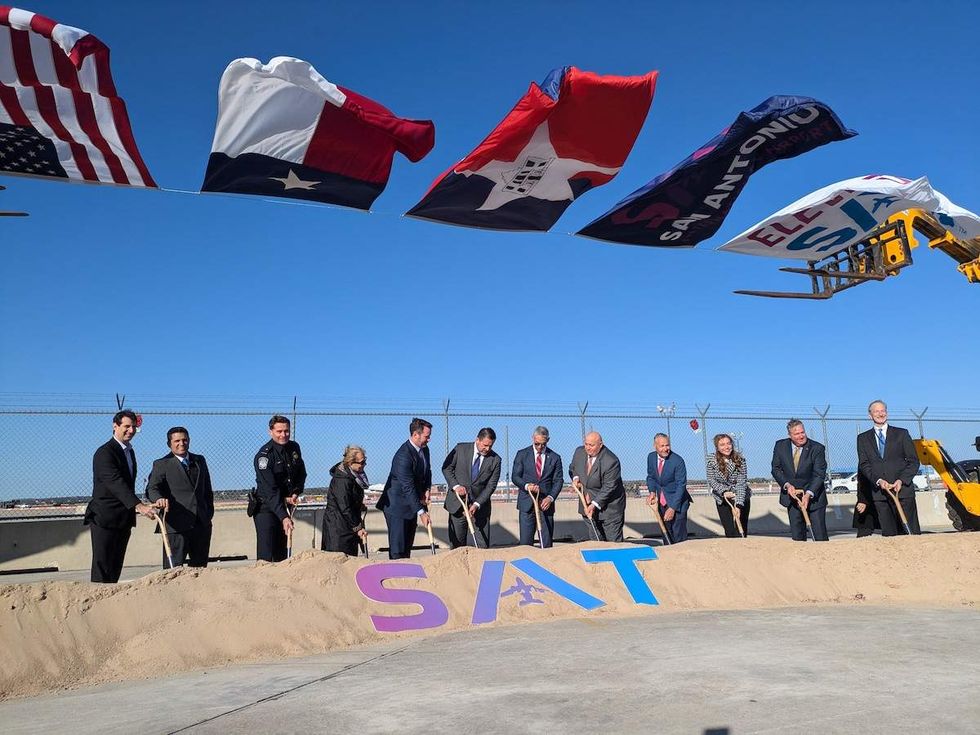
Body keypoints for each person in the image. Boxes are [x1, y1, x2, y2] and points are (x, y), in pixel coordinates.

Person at [84, 410, 162, 583]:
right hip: (105, 518)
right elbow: (115, 483)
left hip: (123, 519)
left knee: (115, 567)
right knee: (102, 567)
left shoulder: (129, 452)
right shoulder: (105, 453)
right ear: (115, 426)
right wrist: (139, 506)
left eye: (134, 427)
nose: (131, 430)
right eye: (127, 426)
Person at [146, 426, 215, 568]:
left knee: (200, 568)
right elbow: (152, 488)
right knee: (174, 570)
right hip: (176, 525)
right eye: (177, 441)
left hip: (200, 523)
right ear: (169, 444)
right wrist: (158, 499)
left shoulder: (199, 461)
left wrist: (208, 514)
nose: (181, 444)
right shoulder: (162, 464)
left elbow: (207, 489)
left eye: (184, 440)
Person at [856, 400, 921, 536]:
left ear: (887, 413)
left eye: (883, 410)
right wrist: (878, 481)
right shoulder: (863, 438)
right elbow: (864, 464)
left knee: (911, 533)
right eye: (876, 411)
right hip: (881, 495)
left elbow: (913, 461)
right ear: (870, 415)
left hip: (902, 492)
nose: (880, 414)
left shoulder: (901, 434)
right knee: (890, 536)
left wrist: (901, 480)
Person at [252, 414, 307, 562]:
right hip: (267, 508)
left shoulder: (294, 448)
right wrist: (283, 517)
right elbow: (270, 490)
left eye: (286, 431)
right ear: (271, 431)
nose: (283, 435)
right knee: (267, 557)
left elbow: (301, 473)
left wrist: (296, 491)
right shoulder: (264, 456)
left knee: (282, 557)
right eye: (279, 431)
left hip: (285, 506)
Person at [377, 418, 432, 559]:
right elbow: (408, 487)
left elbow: (427, 471)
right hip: (397, 507)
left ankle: (406, 575)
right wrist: (422, 512)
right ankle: (395, 577)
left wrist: (427, 489)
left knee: (407, 548)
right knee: (398, 549)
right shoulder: (403, 456)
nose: (429, 439)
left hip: (411, 505)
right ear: (415, 435)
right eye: (426, 436)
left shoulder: (424, 450)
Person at [443, 428, 502, 549]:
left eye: (490, 446)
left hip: (480, 508)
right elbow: (446, 468)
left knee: (482, 546)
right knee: (457, 547)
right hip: (458, 506)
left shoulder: (495, 460)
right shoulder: (460, 449)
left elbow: (491, 486)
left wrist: (477, 504)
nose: (488, 449)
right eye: (485, 445)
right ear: (477, 440)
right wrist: (456, 486)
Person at [772, 418, 829, 541]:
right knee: (797, 537)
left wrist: (808, 494)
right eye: (797, 434)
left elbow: (819, 474)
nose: (801, 436)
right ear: (790, 435)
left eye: (802, 432)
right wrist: (787, 485)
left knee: (819, 537)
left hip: (814, 498)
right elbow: (776, 469)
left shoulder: (817, 448)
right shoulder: (780, 446)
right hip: (792, 498)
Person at [512, 426, 564, 548]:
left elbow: (558, 481)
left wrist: (550, 498)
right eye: (537, 443)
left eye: (543, 444)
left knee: (546, 544)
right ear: (532, 438)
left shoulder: (555, 458)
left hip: (545, 505)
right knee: (525, 544)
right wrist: (526, 486)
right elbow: (515, 477)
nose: (540, 447)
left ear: (548, 440)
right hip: (526, 504)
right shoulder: (522, 454)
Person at [569, 432, 626, 542]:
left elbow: (609, 486)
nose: (588, 448)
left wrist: (594, 504)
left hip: (610, 509)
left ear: (600, 444)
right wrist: (575, 478)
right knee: (596, 542)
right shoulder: (579, 452)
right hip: (587, 506)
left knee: (613, 543)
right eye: (586, 444)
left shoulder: (611, 461)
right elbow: (573, 468)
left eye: (591, 445)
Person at [321, 445, 369, 556]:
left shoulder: (354, 476)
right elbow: (344, 506)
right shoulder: (342, 480)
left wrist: (358, 504)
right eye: (361, 463)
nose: (364, 465)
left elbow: (350, 498)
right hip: (338, 528)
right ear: (350, 462)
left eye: (364, 461)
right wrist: (358, 527)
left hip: (348, 525)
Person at [646, 433, 691, 542]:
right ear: (655, 446)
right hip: (662, 503)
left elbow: (681, 485)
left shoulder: (677, 461)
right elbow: (651, 477)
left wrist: (672, 508)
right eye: (662, 446)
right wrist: (652, 492)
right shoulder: (651, 457)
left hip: (678, 503)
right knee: (666, 535)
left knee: (678, 537)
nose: (666, 449)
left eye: (667, 445)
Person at [706, 433, 750, 538]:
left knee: (741, 530)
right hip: (722, 498)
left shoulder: (740, 459)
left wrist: (739, 504)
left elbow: (741, 482)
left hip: (740, 496)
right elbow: (711, 479)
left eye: (728, 443)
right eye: (722, 445)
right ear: (717, 447)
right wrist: (724, 491)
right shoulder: (711, 460)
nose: (726, 447)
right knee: (730, 531)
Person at [852, 472, 880, 537]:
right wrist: (862, 499)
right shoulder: (865, 463)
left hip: (893, 496)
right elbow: (862, 479)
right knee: (864, 531)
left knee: (894, 531)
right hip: (869, 498)